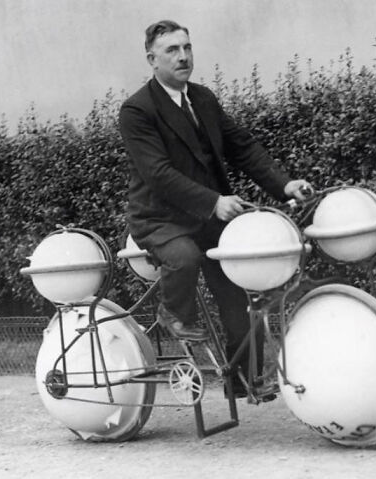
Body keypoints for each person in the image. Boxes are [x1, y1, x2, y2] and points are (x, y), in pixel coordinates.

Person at [119, 20, 310, 395]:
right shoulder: (137, 111)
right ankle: (172, 313)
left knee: (241, 292)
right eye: (172, 50)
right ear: (151, 59)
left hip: (210, 216)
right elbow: (158, 173)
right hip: (160, 218)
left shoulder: (203, 98)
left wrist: (284, 184)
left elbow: (241, 146)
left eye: (187, 47)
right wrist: (213, 202)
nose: (184, 56)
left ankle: (245, 380)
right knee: (184, 257)